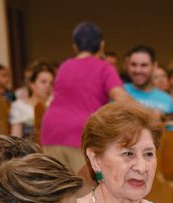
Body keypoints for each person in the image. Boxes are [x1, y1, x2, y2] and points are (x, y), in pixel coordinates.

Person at [40, 22, 129, 188]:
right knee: (86, 194)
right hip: (79, 134)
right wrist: (149, 113)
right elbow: (120, 97)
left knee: (56, 193)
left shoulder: (65, 67)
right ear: (102, 45)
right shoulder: (104, 67)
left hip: (51, 131)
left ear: (75, 47)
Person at [124, 45, 173, 129]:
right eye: (133, 65)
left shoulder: (167, 99)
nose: (138, 70)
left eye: (144, 65)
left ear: (154, 66)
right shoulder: (118, 93)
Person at [9, 63, 54, 139]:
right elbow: (16, 138)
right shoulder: (19, 106)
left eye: (51, 83)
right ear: (32, 84)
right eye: (43, 82)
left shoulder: (55, 104)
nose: (48, 86)